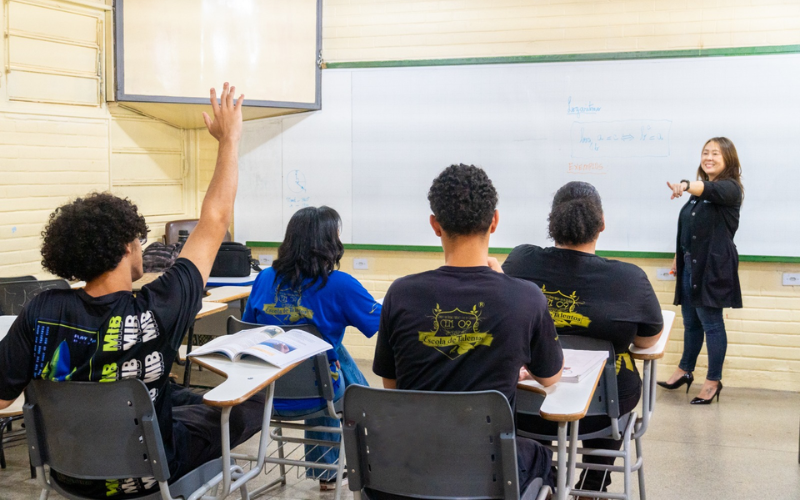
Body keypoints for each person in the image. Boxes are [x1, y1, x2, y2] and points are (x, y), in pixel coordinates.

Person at [0, 83, 254, 498]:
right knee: (246, 406)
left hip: (66, 474)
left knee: (176, 395)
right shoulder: (162, 305)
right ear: (126, 247)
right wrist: (230, 140)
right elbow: (216, 218)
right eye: (138, 239)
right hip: (148, 477)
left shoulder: (41, 308)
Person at [372, 164, 564, 494]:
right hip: (489, 471)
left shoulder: (401, 293)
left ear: (435, 225)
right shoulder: (525, 298)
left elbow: (393, 386)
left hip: (406, 470)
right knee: (543, 461)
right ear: (495, 221)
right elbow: (550, 377)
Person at [502, 181, 663, 495]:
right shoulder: (630, 279)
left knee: (542, 403)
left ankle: (541, 474)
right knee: (612, 375)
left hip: (525, 407)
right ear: (601, 224)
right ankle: (595, 480)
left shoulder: (521, 261)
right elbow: (647, 341)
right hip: (603, 414)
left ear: (553, 222)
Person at [242, 205, 381, 490]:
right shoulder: (339, 284)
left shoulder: (264, 278)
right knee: (326, 355)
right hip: (319, 398)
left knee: (327, 350)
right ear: (330, 242)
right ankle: (358, 442)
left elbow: (247, 331)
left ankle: (333, 462)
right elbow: (382, 320)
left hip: (266, 392)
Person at [659, 137, 744, 404]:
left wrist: (684, 185)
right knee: (691, 322)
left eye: (715, 154)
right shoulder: (699, 196)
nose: (708, 157)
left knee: (712, 324)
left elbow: (703, 188)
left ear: (727, 159)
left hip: (712, 267)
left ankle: (713, 381)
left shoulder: (730, 188)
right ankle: (685, 370)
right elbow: (690, 229)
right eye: (705, 153)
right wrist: (678, 257)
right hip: (690, 266)